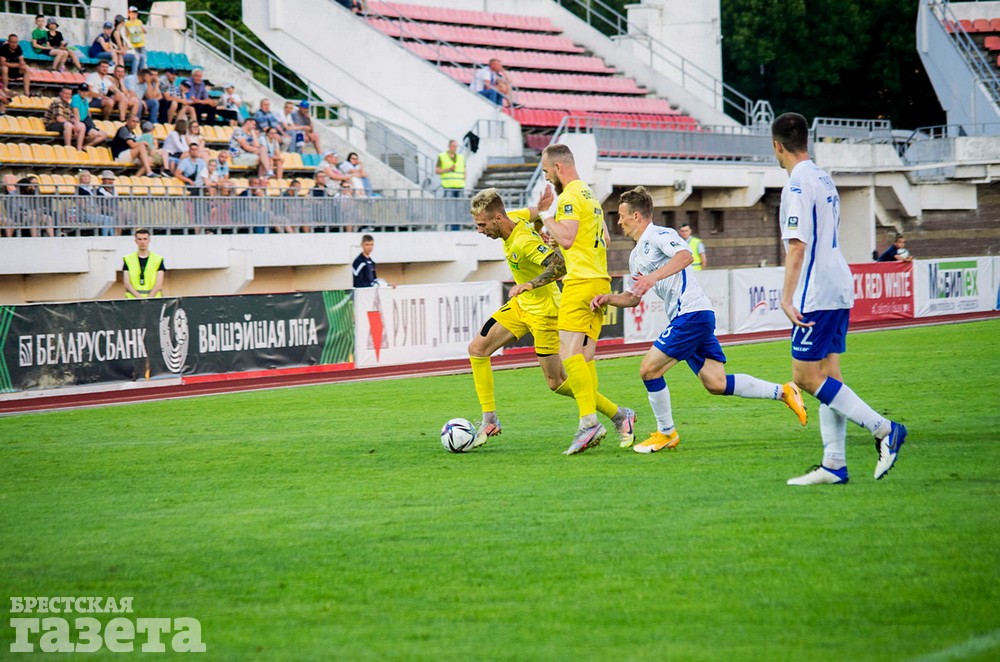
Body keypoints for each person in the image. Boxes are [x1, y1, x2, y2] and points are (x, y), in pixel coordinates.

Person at [591, 186, 807, 453]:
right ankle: (784, 391)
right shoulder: (635, 256)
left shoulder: (660, 234)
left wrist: (653, 277)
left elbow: (686, 256)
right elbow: (633, 298)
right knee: (716, 383)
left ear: (636, 215)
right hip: (694, 316)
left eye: (622, 215)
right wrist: (607, 299)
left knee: (649, 370)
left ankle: (666, 432)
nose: (619, 221)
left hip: (690, 313)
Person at [772, 112, 907, 485]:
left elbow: (797, 246)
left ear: (777, 146)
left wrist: (786, 298)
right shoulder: (823, 176)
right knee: (830, 375)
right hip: (837, 282)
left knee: (805, 376)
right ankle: (834, 464)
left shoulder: (797, 183)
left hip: (817, 290)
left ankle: (885, 430)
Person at [466, 187, 636, 450]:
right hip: (522, 306)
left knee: (557, 382)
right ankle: (489, 419)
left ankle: (619, 414)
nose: (480, 230)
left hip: (545, 312)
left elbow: (559, 264)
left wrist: (530, 284)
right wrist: (541, 211)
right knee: (477, 349)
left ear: (498, 218)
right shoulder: (514, 217)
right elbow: (533, 213)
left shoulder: (523, 242)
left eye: (482, 225)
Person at [538, 144, 632, 455]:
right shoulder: (591, 196)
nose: (547, 176)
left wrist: (544, 218)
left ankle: (589, 423)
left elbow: (566, 237)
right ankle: (620, 416)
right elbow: (602, 238)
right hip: (599, 281)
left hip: (579, 283)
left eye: (547, 170)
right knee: (585, 359)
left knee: (567, 355)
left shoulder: (567, 196)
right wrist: (562, 235)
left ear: (559, 168)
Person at [122, 227, 164, 298]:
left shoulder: (158, 259)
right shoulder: (128, 259)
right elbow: (127, 283)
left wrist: (148, 299)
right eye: (139, 239)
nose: (142, 242)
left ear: (149, 240)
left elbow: (158, 284)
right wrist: (140, 299)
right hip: (133, 301)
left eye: (145, 239)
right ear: (135, 241)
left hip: (153, 301)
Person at [45, 86, 86, 150]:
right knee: (68, 125)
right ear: (60, 93)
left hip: (62, 125)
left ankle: (79, 148)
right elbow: (59, 118)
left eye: (69, 94)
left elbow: (71, 117)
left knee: (82, 125)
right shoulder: (57, 102)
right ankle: (68, 147)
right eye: (65, 93)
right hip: (51, 124)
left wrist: (76, 123)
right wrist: (73, 126)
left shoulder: (67, 104)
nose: (67, 96)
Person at [75, 170, 115, 236]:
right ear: (80, 178)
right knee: (106, 219)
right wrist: (92, 211)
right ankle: (105, 238)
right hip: (84, 214)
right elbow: (82, 206)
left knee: (110, 219)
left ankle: (112, 237)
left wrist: (97, 209)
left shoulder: (91, 189)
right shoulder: (79, 189)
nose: (86, 178)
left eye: (88, 176)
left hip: (93, 212)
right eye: (83, 176)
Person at [70, 83, 108, 147]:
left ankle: (86, 147)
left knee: (104, 134)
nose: (84, 93)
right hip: (82, 122)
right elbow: (76, 112)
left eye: (86, 91)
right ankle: (79, 145)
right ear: (79, 91)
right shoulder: (76, 97)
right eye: (82, 91)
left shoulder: (85, 100)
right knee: (94, 134)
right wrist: (78, 124)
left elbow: (88, 113)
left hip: (87, 122)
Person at [123, 6, 147, 75]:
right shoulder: (127, 23)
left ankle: (142, 73)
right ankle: (135, 73)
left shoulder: (139, 22)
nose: (134, 15)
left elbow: (144, 31)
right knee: (137, 58)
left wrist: (143, 29)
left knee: (143, 59)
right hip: (133, 45)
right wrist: (127, 45)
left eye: (135, 14)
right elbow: (126, 35)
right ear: (129, 14)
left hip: (141, 44)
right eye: (132, 13)